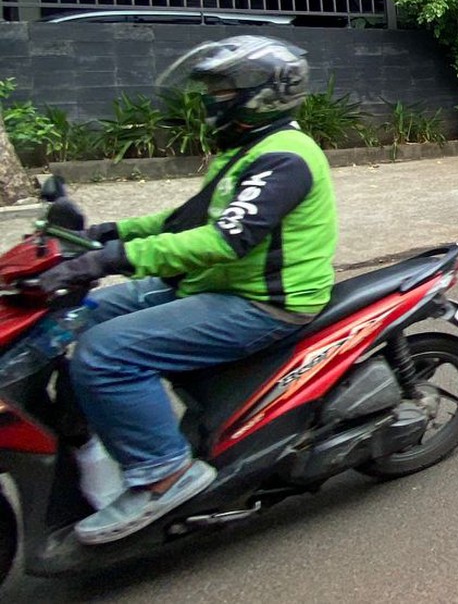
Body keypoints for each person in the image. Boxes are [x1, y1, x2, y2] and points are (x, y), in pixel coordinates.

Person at [34, 35, 337, 545]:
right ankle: (90, 447)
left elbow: (225, 238)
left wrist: (114, 259)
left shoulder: (285, 157)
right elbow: (184, 220)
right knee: (71, 319)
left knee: (103, 353)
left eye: (222, 90)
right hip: (210, 284)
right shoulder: (246, 149)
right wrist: (105, 234)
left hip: (264, 303)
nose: (211, 99)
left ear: (263, 94)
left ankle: (166, 473)